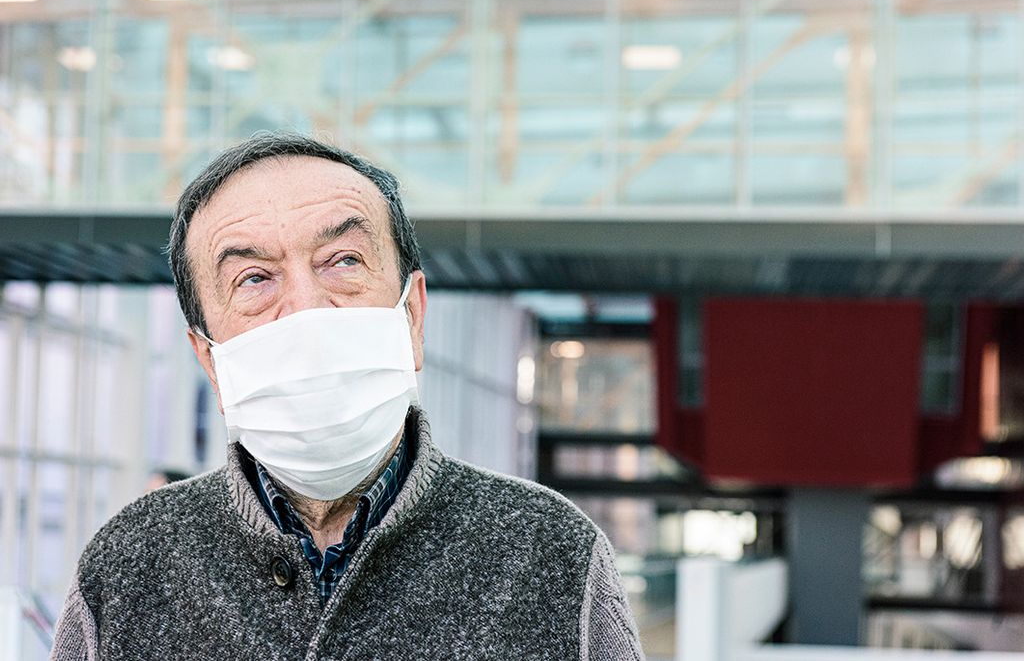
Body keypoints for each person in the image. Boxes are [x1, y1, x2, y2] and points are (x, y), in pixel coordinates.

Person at [50, 133, 644, 660]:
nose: (306, 309)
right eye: (253, 278)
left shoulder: (551, 554)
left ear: (412, 316)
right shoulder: (128, 566)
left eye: (342, 261)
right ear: (209, 359)